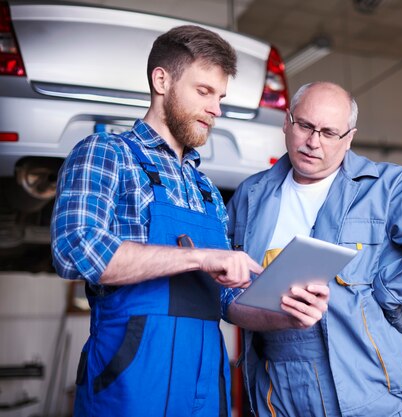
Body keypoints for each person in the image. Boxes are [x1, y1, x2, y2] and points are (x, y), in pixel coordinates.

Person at [51, 26, 328, 417]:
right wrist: (199, 259)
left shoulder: (206, 190)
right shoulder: (107, 154)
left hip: (204, 386)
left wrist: (286, 314)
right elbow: (76, 249)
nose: (216, 109)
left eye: (220, 97)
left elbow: (228, 301)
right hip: (130, 382)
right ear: (161, 80)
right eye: (204, 92)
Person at [225, 81, 402, 416]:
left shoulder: (386, 190)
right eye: (304, 125)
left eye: (329, 132)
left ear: (349, 138)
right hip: (274, 387)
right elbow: (226, 285)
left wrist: (387, 289)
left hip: (362, 386)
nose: (313, 142)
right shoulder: (251, 195)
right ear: (287, 122)